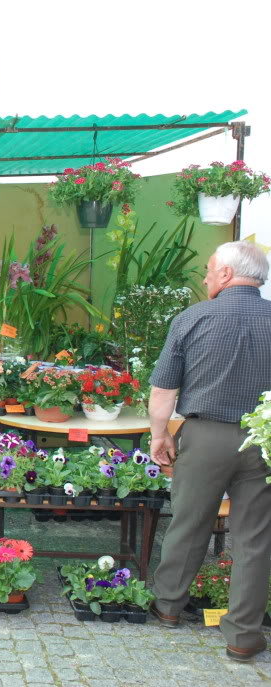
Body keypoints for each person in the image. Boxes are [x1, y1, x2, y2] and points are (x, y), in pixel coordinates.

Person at [148, 240, 271, 663]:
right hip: (265, 439)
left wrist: (159, 435)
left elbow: (164, 389)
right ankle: (243, 636)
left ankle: (167, 606)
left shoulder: (192, 318)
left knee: (189, 521)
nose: (204, 276)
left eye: (208, 269)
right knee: (254, 537)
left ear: (225, 275)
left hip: (204, 436)